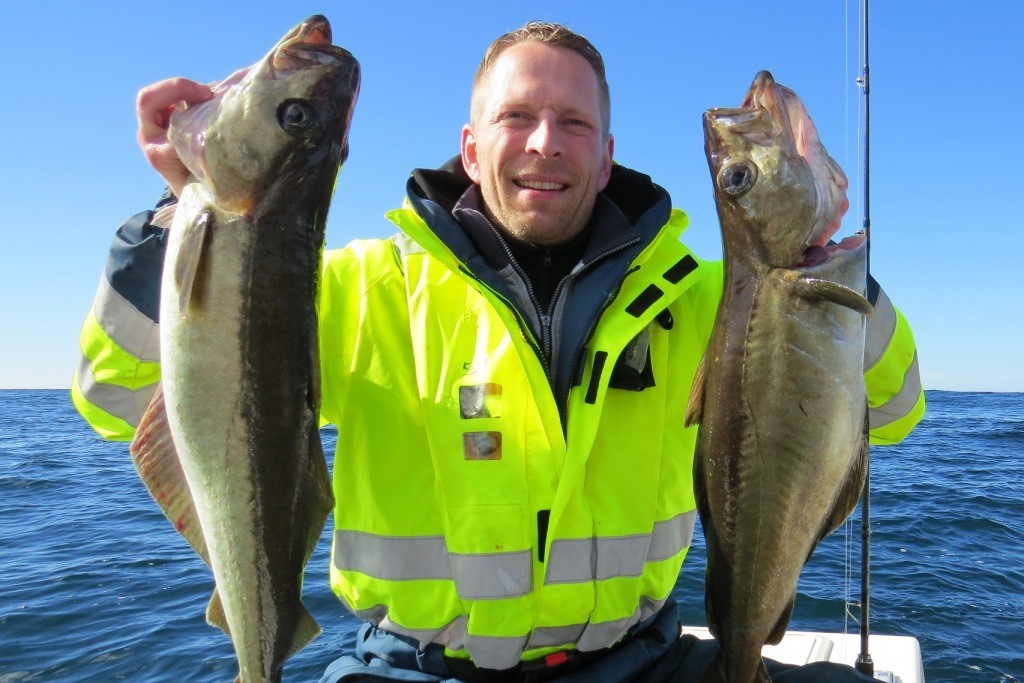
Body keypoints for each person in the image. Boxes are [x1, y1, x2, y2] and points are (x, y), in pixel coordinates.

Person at [72, 21, 925, 683]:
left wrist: (827, 269)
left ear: (605, 153)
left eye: (574, 122)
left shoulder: (706, 297)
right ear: (472, 147)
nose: (545, 142)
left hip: (645, 660)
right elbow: (115, 393)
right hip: (408, 668)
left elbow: (891, 407)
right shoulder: (358, 287)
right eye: (516, 116)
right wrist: (172, 216)